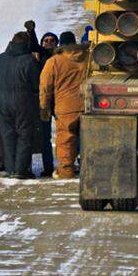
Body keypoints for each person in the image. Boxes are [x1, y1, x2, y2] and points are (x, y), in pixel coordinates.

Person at [0, 31, 41, 178]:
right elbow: (37, 84)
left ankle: (11, 169)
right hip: (22, 102)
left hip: (2, 102)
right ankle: (21, 170)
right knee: (24, 135)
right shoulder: (29, 61)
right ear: (27, 44)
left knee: (7, 135)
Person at [39, 31, 89, 179]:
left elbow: (45, 87)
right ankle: (90, 169)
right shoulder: (88, 58)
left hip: (66, 107)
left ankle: (66, 171)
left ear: (60, 44)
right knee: (89, 139)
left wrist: (44, 107)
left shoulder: (54, 61)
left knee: (66, 140)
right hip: (88, 105)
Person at [36, 31, 60, 177]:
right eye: (46, 40)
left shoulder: (60, 60)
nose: (49, 43)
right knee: (45, 137)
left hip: (59, 101)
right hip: (45, 102)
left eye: (52, 41)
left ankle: (67, 165)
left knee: (65, 134)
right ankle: (48, 166)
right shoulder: (37, 60)